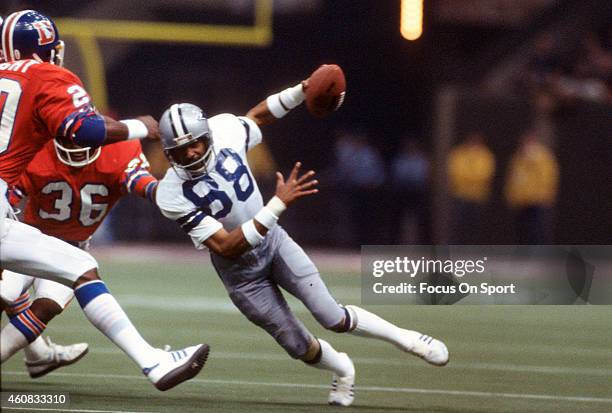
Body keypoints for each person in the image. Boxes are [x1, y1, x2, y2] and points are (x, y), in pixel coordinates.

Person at [155, 81, 449, 407]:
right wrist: (276, 205)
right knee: (299, 346)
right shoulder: (170, 193)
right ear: (169, 154)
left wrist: (302, 89)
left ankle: (408, 340)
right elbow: (225, 246)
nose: (191, 153)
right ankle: (343, 368)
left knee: (331, 316)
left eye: (195, 144)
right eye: (180, 151)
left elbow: (259, 115)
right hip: (238, 272)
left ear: (207, 135)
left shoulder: (225, 129)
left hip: (273, 242)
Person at [0, 10, 208, 390]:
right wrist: (140, 126)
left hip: (30, 223)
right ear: (48, 49)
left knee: (50, 277)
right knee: (79, 267)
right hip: (21, 221)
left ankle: (48, 354)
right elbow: (81, 127)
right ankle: (153, 362)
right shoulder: (46, 76)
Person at [1, 135, 158, 378]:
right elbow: (10, 195)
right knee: (4, 292)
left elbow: (141, 182)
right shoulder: (39, 147)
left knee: (48, 305)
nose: (76, 152)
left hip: (73, 247)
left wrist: (160, 191)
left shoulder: (117, 151)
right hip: (31, 240)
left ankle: (35, 356)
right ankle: (39, 355)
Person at [505, 129, 559, 244]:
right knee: (523, 231)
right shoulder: (518, 158)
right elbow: (513, 179)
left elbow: (547, 177)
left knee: (538, 230)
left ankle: (539, 255)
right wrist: (512, 197)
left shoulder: (543, 157)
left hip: (537, 200)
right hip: (521, 201)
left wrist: (545, 195)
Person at [447, 132, 496, 244]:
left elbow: (485, 175)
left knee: (476, 225)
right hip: (461, 195)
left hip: (478, 196)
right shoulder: (458, 154)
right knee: (457, 224)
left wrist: (469, 177)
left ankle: (474, 248)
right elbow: (455, 173)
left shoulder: (486, 156)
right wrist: (472, 177)